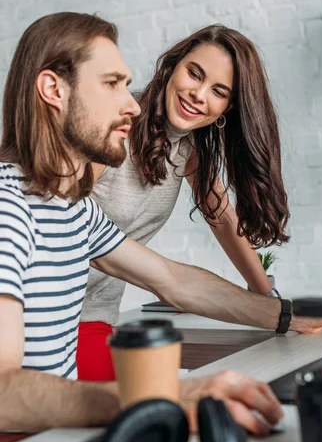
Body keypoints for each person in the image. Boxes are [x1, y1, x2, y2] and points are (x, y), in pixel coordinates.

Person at [0, 12, 322, 435]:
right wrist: (163, 398)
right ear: (53, 89)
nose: (133, 105)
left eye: (219, 92)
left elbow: (174, 279)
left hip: (52, 408)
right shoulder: (11, 208)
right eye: (111, 84)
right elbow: (4, 395)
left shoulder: (73, 209)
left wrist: (287, 313)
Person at [77, 25, 292, 381]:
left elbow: (222, 218)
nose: (198, 95)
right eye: (195, 73)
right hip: (39, 311)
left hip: (93, 314)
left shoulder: (187, 150)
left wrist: (269, 298)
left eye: (218, 91)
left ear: (228, 107)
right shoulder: (113, 127)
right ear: (172, 67)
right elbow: (61, 228)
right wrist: (275, 312)